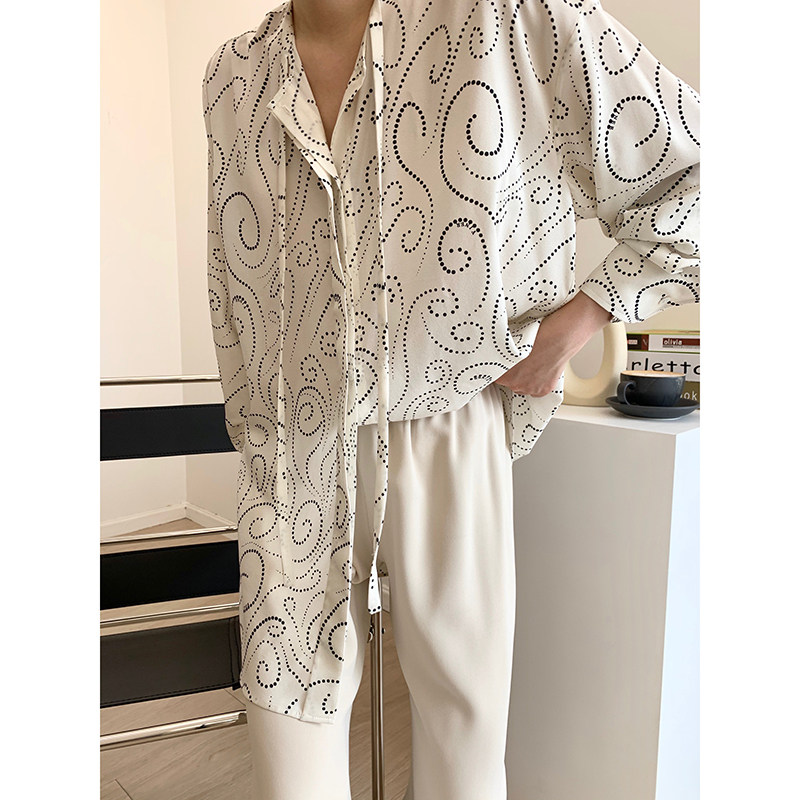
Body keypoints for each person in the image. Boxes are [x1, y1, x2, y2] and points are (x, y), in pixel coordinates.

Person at [202, 0, 699, 797]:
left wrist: (577, 323)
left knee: (463, 743)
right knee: (285, 739)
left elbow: (700, 173)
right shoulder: (233, 76)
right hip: (291, 445)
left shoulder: (504, 18)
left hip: (450, 415)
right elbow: (234, 284)